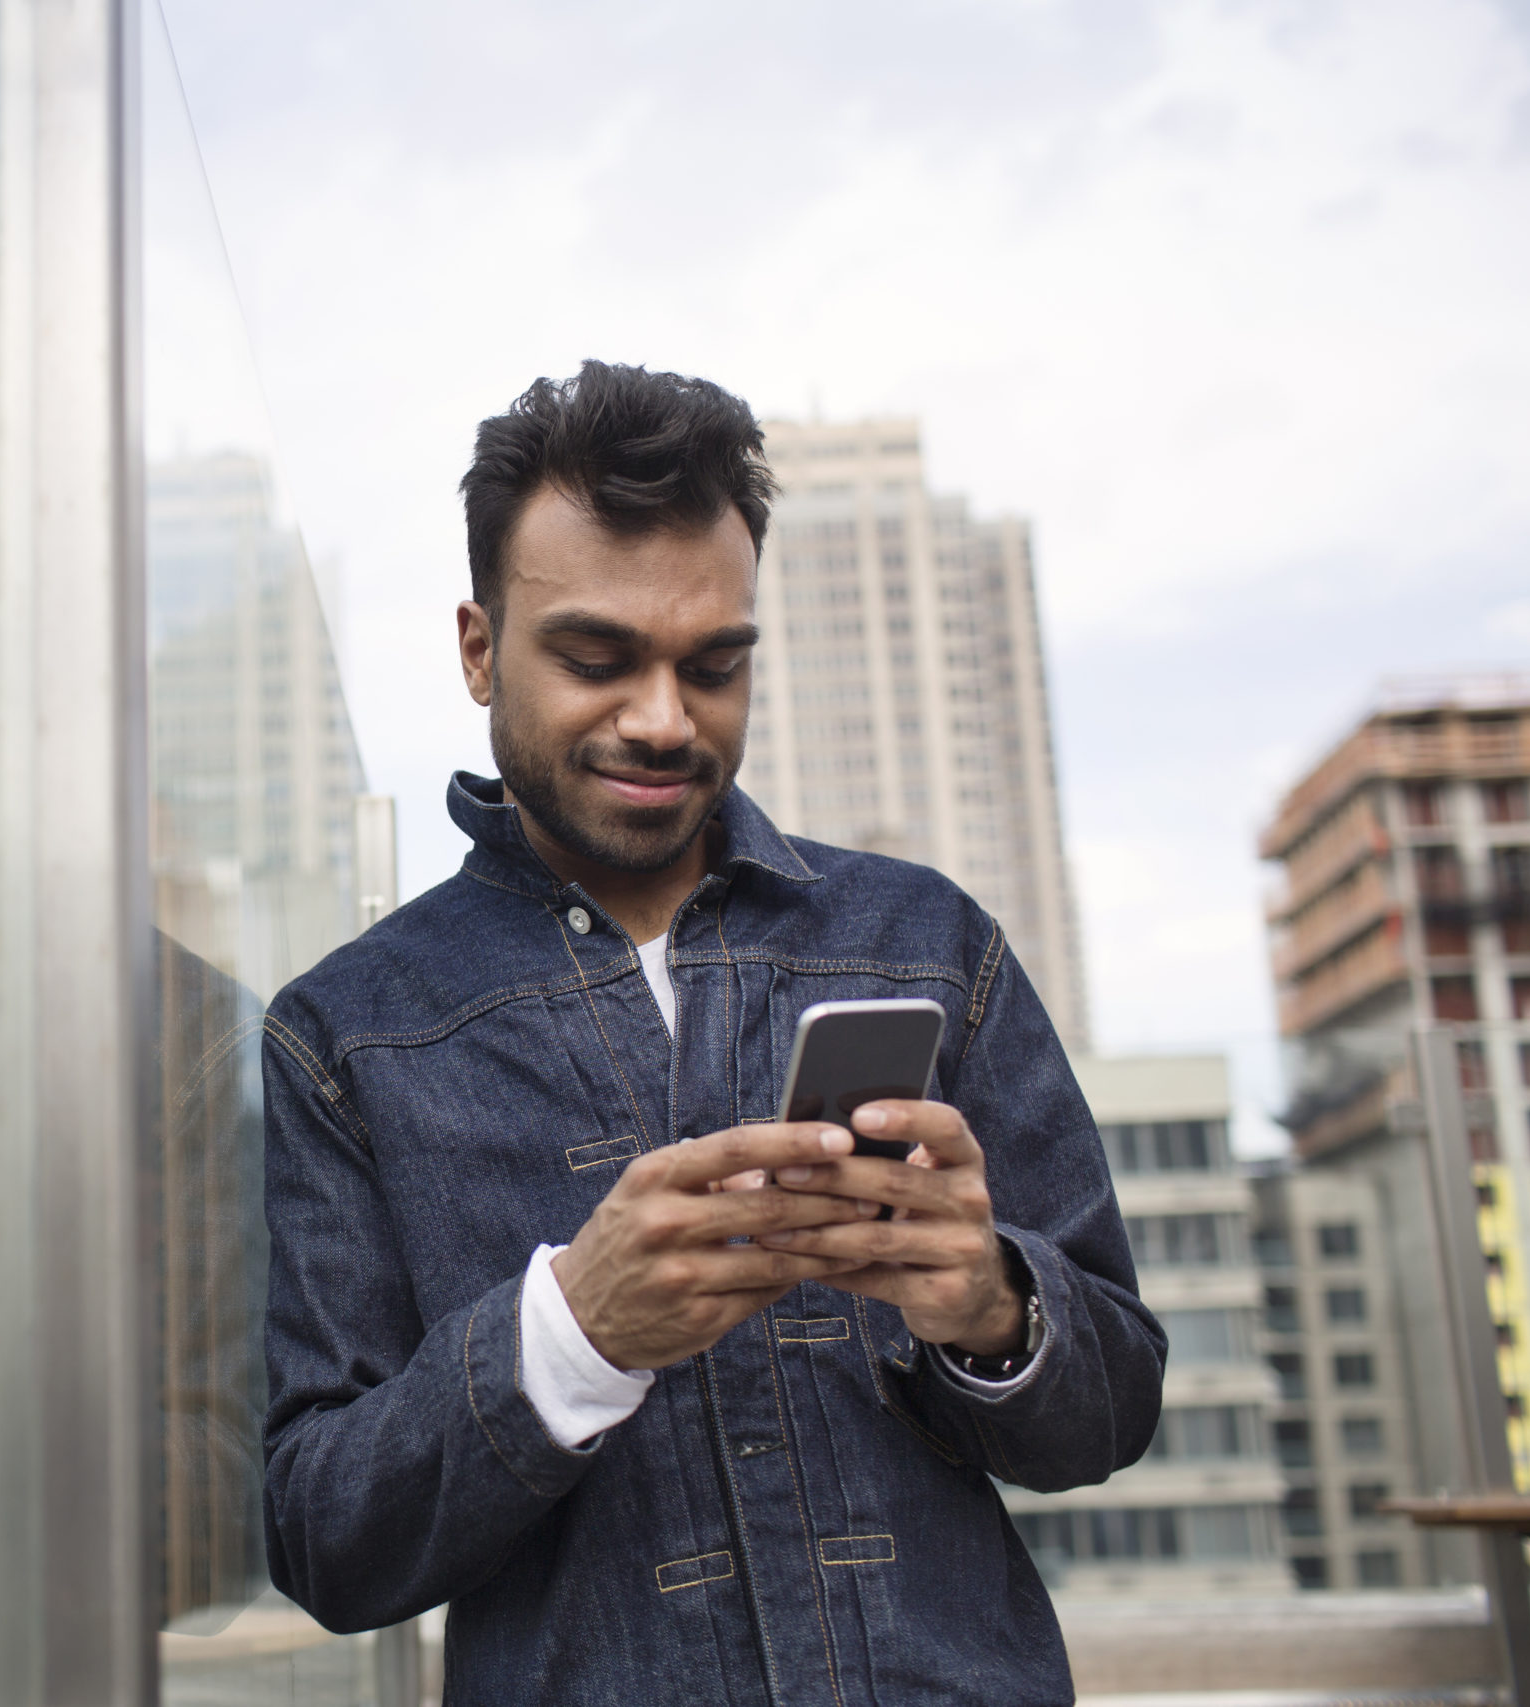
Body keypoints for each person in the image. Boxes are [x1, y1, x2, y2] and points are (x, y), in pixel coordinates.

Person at [260, 362, 1163, 1703]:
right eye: (597, 658)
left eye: (715, 665)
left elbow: (1116, 1408)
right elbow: (322, 1538)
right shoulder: (343, 1039)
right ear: (477, 648)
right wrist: (571, 1334)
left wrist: (992, 1305)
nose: (665, 720)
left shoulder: (929, 944)